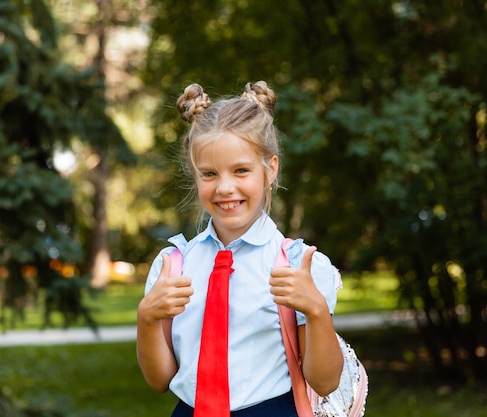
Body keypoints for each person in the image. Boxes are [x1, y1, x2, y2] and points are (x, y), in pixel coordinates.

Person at [137, 81, 344, 417]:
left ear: (270, 168)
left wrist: (317, 311)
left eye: (241, 170)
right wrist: (147, 317)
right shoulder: (172, 267)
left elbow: (325, 381)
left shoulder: (298, 265)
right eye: (209, 174)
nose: (225, 187)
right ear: (195, 174)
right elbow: (159, 379)